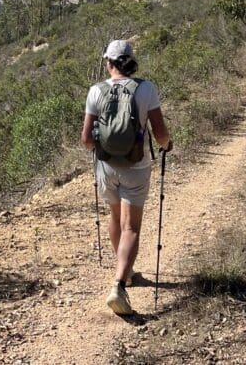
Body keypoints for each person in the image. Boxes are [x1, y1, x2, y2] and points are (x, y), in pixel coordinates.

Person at [81, 40, 171, 315]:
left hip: (107, 166)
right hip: (137, 165)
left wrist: (102, 146)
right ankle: (119, 284)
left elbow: (85, 140)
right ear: (130, 62)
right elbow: (160, 133)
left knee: (114, 217)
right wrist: (167, 145)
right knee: (131, 227)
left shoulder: (96, 91)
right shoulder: (146, 89)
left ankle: (127, 273)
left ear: (109, 63)